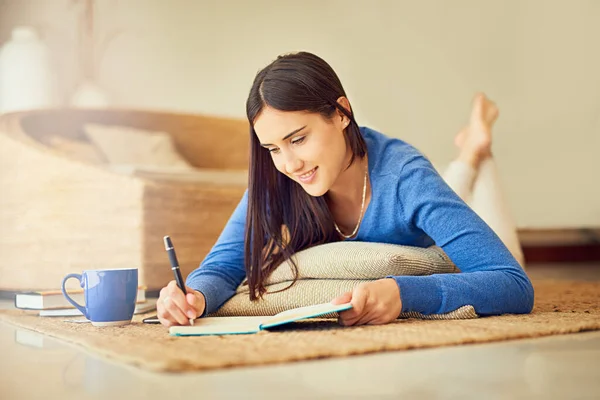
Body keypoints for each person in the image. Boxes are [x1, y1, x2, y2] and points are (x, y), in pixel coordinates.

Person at [157, 52, 533, 327]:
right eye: (273, 149)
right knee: (452, 186)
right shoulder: (279, 180)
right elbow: (223, 267)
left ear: (341, 113)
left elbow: (513, 283)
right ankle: (470, 148)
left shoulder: (405, 175)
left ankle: (475, 150)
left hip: (454, 215)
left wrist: (403, 293)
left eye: (299, 139)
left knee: (468, 185)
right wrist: (194, 296)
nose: (289, 164)